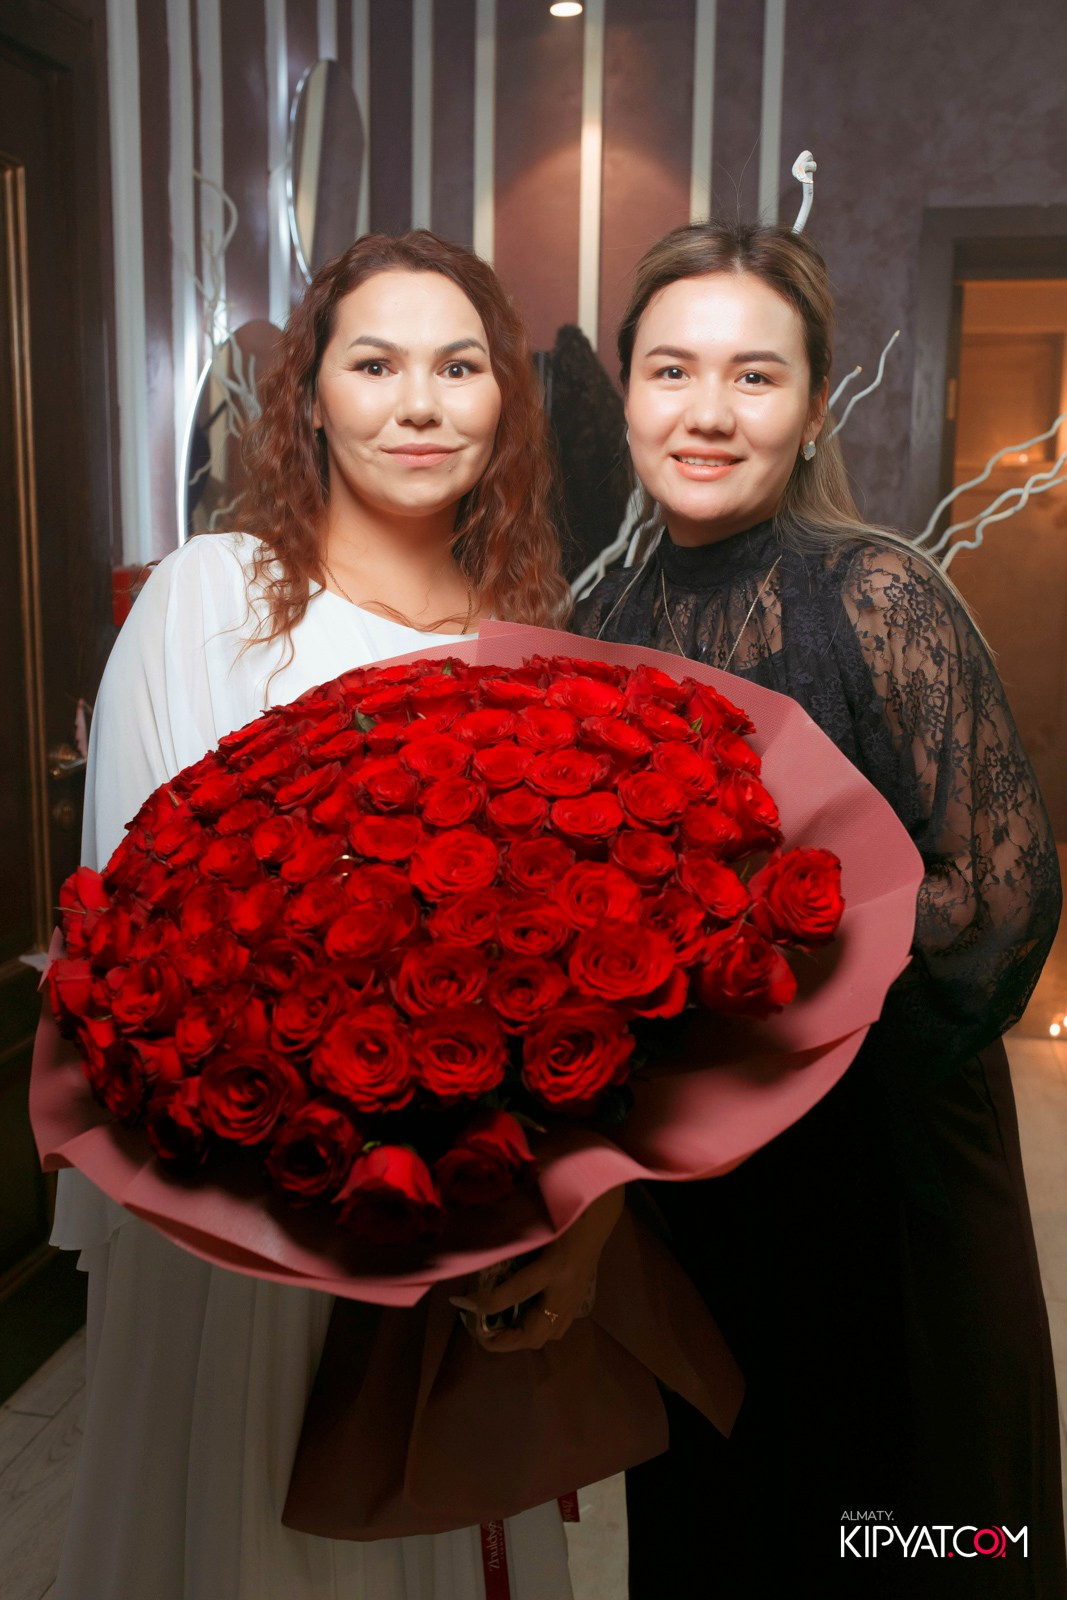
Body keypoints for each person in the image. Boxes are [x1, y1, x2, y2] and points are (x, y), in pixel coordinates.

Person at [466, 221, 1065, 1598]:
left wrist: (765, 958)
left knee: (913, 1526)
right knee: (729, 1533)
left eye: (755, 376)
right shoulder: (603, 617)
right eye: (673, 370)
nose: (709, 413)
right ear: (627, 392)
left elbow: (1003, 912)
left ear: (812, 405)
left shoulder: (880, 593)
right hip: (700, 1200)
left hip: (889, 1178)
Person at [50, 230, 584, 1600]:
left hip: (462, 1205)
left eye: (458, 367)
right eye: (376, 364)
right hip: (251, 1205)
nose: (420, 405)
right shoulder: (208, 602)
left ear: (504, 400)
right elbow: (136, 940)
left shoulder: (533, 645)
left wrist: (540, 1189)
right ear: (313, 397)